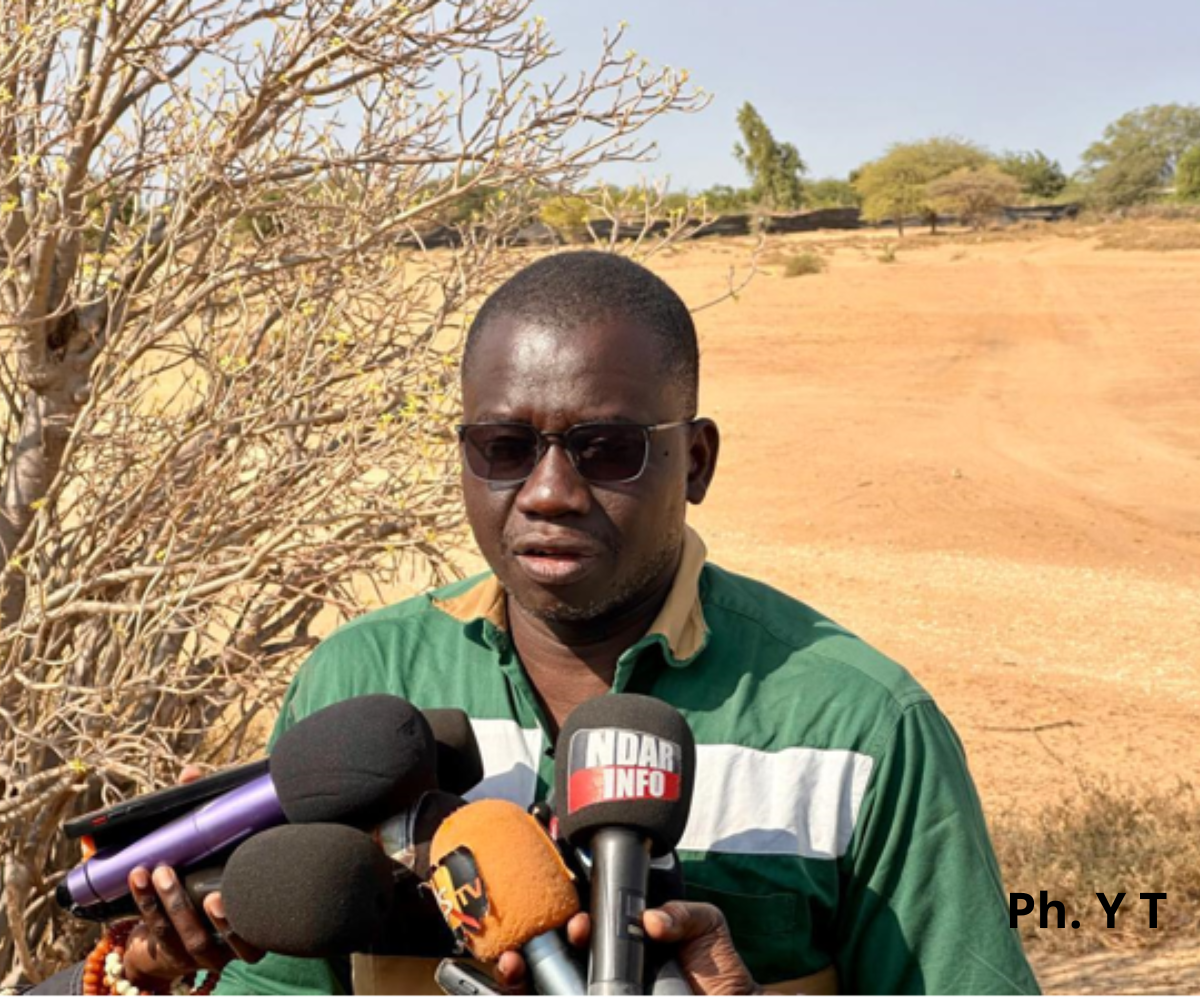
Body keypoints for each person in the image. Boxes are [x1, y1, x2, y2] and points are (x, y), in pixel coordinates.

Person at [114, 251, 1037, 995]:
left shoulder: (861, 725)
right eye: (506, 449)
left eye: (606, 449)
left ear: (698, 460)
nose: (550, 493)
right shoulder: (360, 685)